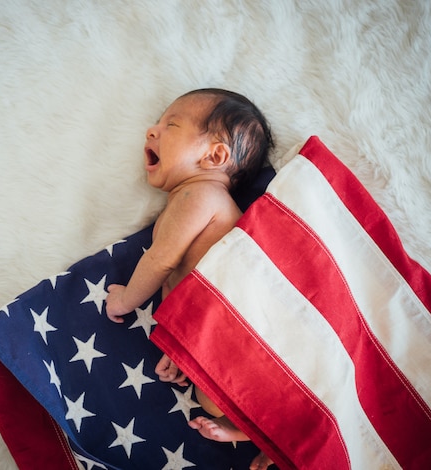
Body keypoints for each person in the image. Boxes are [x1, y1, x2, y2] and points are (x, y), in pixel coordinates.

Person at [105, 88, 275, 470]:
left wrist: (127, 299)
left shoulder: (201, 196)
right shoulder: (191, 199)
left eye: (171, 125)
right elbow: (184, 285)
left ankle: (265, 432)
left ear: (214, 156)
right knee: (211, 399)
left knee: (229, 390)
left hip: (237, 320)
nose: (152, 130)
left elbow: (163, 262)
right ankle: (257, 433)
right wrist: (181, 346)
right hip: (209, 327)